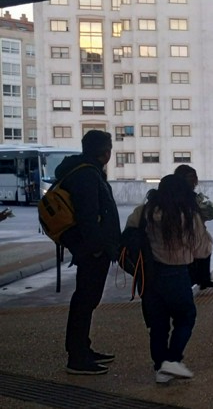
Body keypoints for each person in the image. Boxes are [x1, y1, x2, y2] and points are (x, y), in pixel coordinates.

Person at [127, 174, 212, 384]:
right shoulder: (188, 215)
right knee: (186, 316)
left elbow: (129, 234)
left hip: (149, 275)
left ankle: (160, 368)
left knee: (158, 324)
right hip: (177, 274)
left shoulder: (145, 211)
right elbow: (202, 251)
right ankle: (172, 360)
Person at [57, 130, 120, 375]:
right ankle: (77, 357)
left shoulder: (86, 171)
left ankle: (83, 347)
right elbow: (88, 217)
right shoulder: (87, 175)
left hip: (91, 248)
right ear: (105, 152)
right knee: (85, 300)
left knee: (86, 300)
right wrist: (96, 249)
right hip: (92, 250)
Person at [174, 164, 213, 289]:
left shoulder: (190, 194)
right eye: (190, 177)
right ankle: (195, 281)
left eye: (194, 177)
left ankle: (203, 279)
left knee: (204, 249)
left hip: (196, 229)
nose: (193, 180)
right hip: (186, 230)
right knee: (194, 254)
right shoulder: (181, 195)